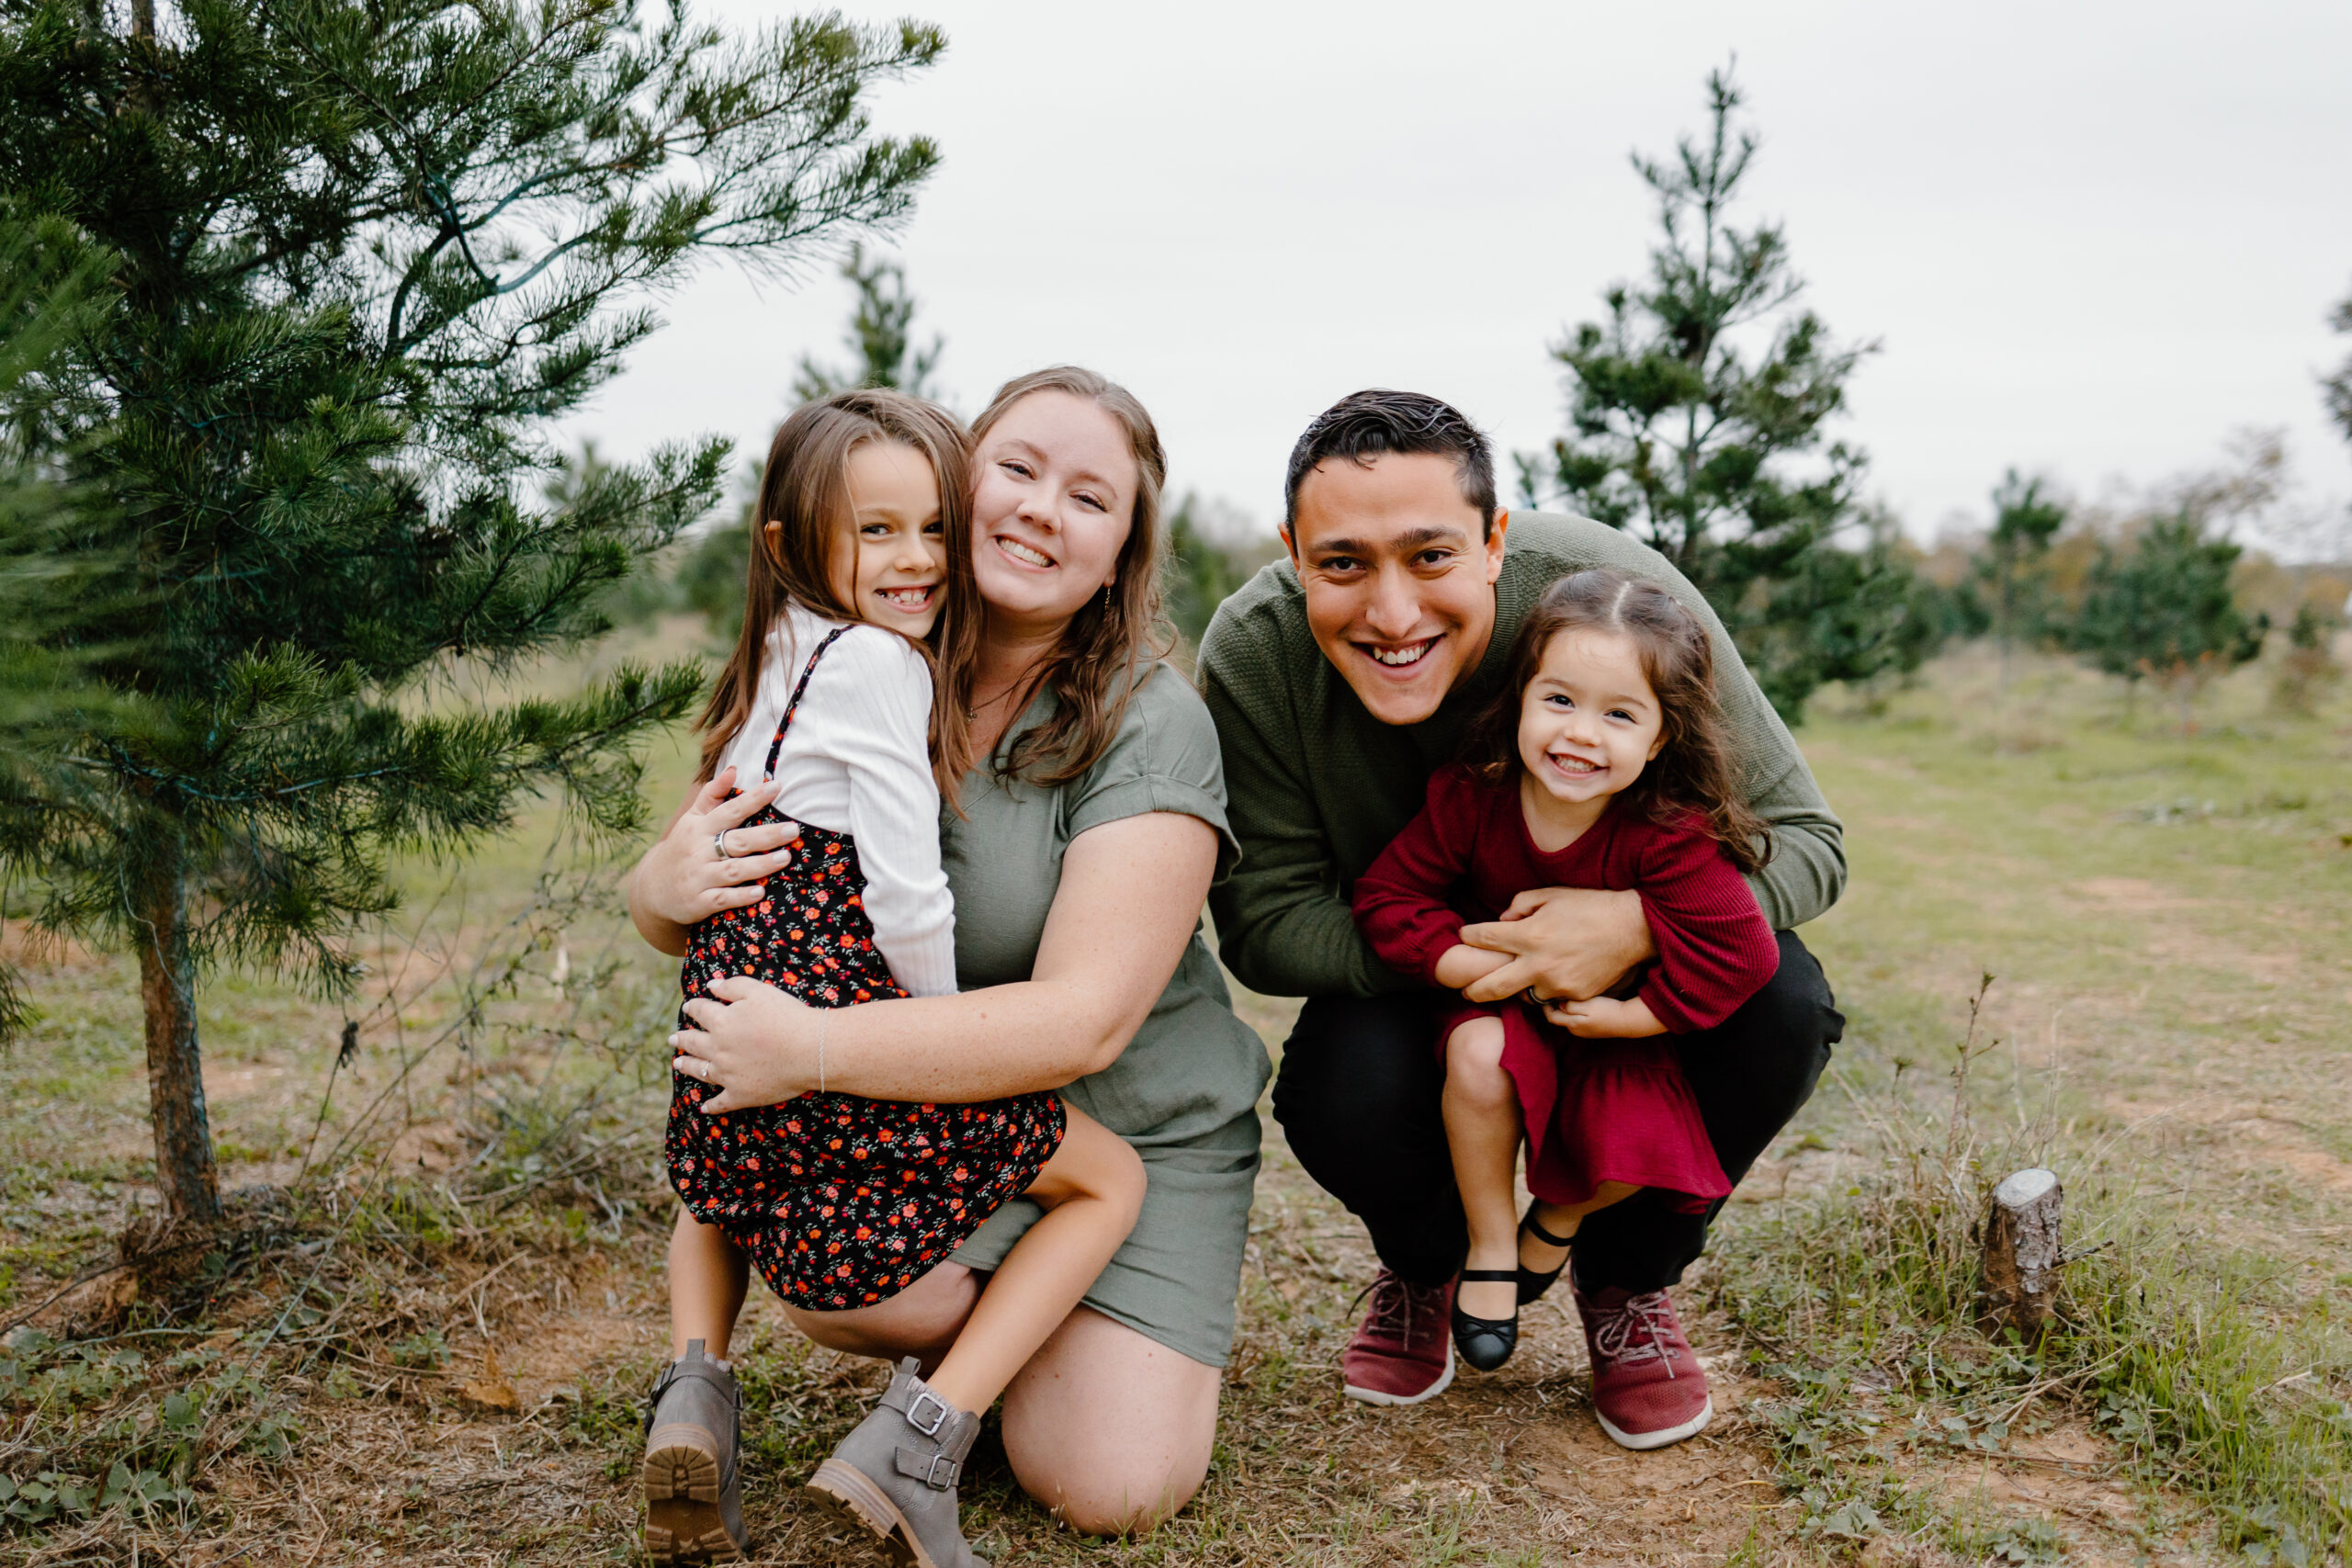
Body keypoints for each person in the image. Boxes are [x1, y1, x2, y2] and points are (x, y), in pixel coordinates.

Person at [635, 367, 1268, 1545]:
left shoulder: (1150, 720)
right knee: (853, 1287)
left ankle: (1032, 1361)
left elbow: (1084, 1024)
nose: (1040, 508)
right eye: (1016, 468)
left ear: (1121, 552)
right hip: (923, 1099)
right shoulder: (872, 640)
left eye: (1089, 497)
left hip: (1128, 1122)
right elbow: (708, 876)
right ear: (955, 479)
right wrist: (653, 890)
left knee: (1108, 1485)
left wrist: (812, 1049)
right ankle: (966, 1364)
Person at [1199, 389, 1845, 1449]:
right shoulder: (1257, 654)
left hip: (1631, 991)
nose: (1393, 614)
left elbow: (1808, 841)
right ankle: (1429, 1263)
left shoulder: (1613, 604)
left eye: (1431, 557)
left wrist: (1633, 928)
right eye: (1343, 563)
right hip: (1423, 973)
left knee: (1780, 1002)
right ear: (1293, 553)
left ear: (1495, 542)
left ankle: (1625, 1281)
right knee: (1340, 1084)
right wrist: (1485, 958)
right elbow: (1267, 922)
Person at [1350, 570, 1781, 1439]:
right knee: (1476, 1056)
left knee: (1638, 1144)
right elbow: (1389, 898)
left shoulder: (1667, 834)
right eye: (1559, 700)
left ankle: (1553, 1225)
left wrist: (1639, 1016)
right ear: (1520, 699)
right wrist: (1469, 962)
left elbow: (1745, 951)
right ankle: (1489, 1244)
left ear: (1659, 739)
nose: (1581, 733)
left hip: (1607, 1031)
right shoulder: (1472, 798)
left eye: (1620, 714)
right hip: (1499, 1014)